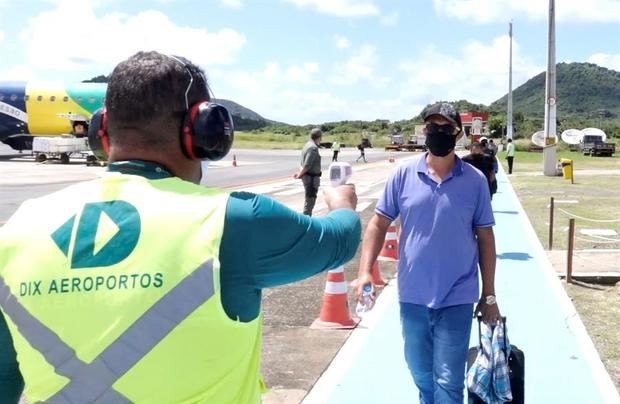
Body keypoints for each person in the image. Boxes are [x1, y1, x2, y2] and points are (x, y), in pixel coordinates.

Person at [0, 51, 361, 404]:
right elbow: (339, 241)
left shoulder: (16, 231)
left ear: (101, 131)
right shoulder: (231, 222)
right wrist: (343, 202)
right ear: (204, 131)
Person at [356, 102, 501, 404]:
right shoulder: (403, 175)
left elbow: (486, 238)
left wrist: (489, 296)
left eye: (445, 128)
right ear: (424, 131)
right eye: (431, 127)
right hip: (413, 294)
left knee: (448, 380)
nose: (437, 133)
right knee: (420, 372)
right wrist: (364, 271)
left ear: (457, 133)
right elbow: (378, 222)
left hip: (458, 295)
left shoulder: (474, 182)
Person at [294, 128, 323, 216]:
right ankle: (306, 223)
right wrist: (300, 174)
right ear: (319, 137)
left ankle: (306, 220)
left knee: (309, 200)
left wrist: (301, 173)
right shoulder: (313, 148)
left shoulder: (307, 145)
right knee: (310, 201)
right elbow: (307, 164)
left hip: (308, 176)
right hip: (311, 179)